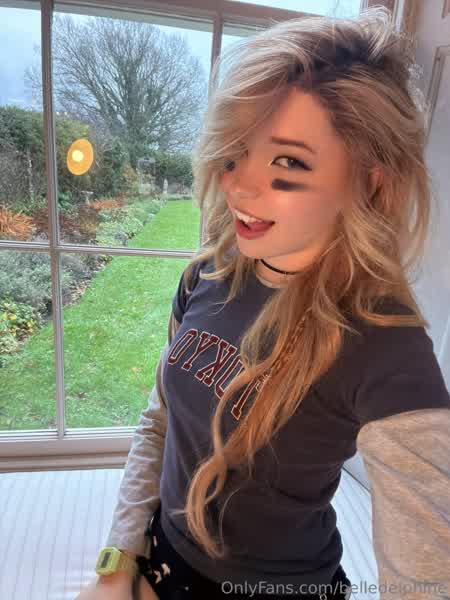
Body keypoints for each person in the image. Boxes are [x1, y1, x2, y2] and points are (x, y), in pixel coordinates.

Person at [76, 5, 450, 600]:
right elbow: (161, 421)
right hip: (160, 560)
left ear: (371, 179)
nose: (238, 186)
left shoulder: (388, 349)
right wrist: (117, 562)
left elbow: (426, 577)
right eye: (235, 153)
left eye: (287, 162)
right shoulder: (208, 272)